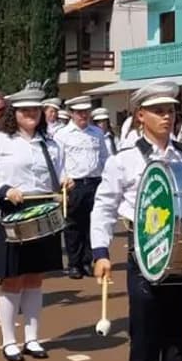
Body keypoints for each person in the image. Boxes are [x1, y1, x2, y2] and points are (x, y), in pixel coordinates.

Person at [90, 80, 182, 361]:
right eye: (159, 111)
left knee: (180, 335)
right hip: (145, 254)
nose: (167, 117)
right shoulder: (123, 160)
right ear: (140, 116)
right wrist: (100, 252)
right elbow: (104, 207)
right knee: (146, 337)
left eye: (171, 110)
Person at [0, 83, 71, 361]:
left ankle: (32, 338)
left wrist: (66, 180)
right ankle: (9, 341)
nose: (32, 114)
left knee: (35, 277)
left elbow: (62, 171)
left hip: (43, 208)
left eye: (36, 110)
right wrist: (5, 189)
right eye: (25, 110)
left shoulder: (51, 143)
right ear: (14, 113)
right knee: (12, 278)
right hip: (12, 208)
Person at [55, 95, 111, 279]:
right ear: (71, 113)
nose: (83, 115)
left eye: (86, 112)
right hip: (74, 184)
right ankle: (74, 263)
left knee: (93, 222)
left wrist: (107, 177)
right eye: (79, 112)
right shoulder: (62, 135)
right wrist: (63, 180)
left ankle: (87, 261)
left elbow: (104, 157)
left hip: (94, 182)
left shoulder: (97, 133)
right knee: (73, 225)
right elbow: (58, 162)